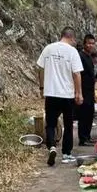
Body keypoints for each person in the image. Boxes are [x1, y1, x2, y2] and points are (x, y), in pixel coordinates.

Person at [37, 26, 83, 166]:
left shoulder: (48, 49)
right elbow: (76, 74)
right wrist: (78, 93)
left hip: (51, 93)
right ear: (71, 37)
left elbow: (40, 68)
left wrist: (42, 87)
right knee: (68, 125)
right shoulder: (72, 52)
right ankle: (66, 154)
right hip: (67, 95)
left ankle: (51, 146)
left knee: (50, 124)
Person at [77, 34, 97, 146]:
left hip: (90, 91)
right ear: (84, 44)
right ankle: (82, 139)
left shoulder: (89, 56)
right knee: (83, 115)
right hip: (83, 91)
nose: (91, 45)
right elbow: (78, 74)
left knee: (90, 114)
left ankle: (88, 136)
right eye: (89, 43)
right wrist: (79, 92)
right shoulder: (80, 56)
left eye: (92, 43)